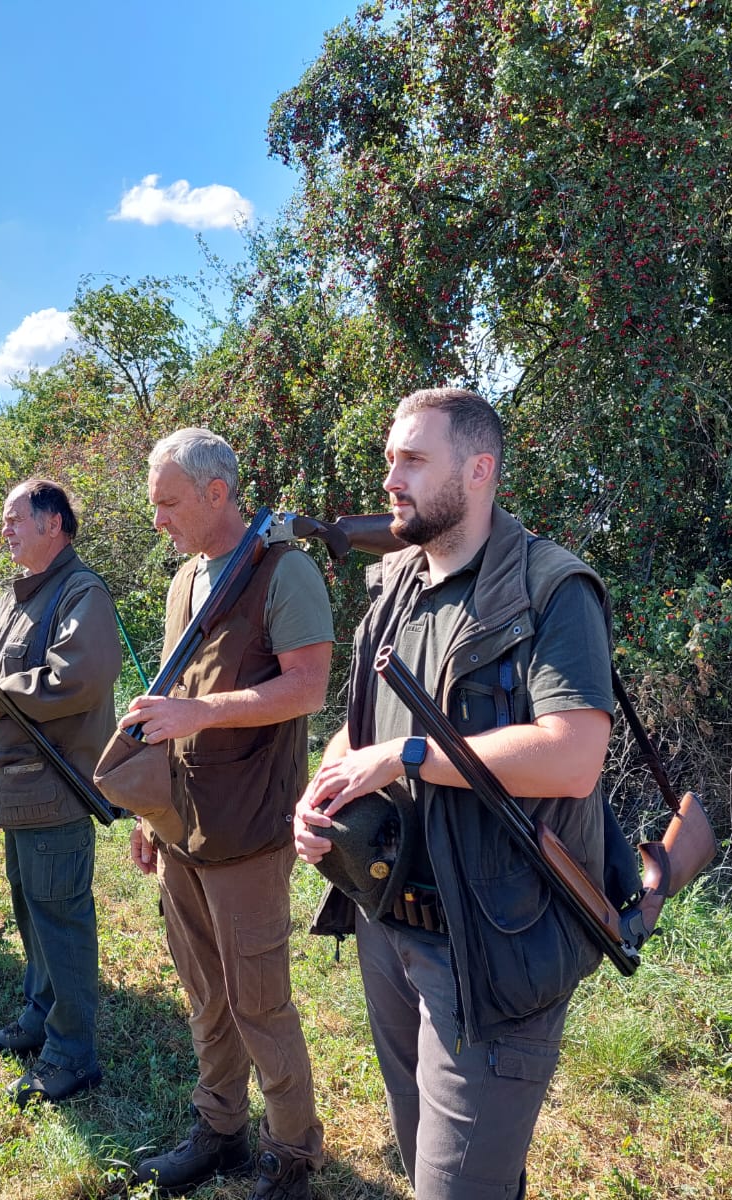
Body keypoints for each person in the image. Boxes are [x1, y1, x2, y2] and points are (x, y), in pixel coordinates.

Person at [293, 388, 616, 1200]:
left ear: (479, 470)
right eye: (389, 459)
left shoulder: (550, 588)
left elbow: (574, 756)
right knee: (429, 1162)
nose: (390, 480)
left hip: (496, 939)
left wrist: (408, 756)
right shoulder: (396, 585)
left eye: (412, 460)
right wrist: (320, 793)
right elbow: (357, 728)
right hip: (389, 920)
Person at [124, 429, 332, 1200]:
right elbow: (171, 704)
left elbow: (308, 687)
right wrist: (151, 812)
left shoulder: (285, 571)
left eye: (169, 503)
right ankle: (220, 1129)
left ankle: (291, 1155)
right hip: (184, 824)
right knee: (205, 996)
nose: (158, 521)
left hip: (249, 829)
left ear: (218, 493)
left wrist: (202, 713)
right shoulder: (186, 579)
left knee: (258, 1002)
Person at [0, 479, 118, 1105]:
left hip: (55, 788)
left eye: (14, 518)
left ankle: (72, 1054)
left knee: (61, 921)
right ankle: (39, 1016)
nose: (5, 530)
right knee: (33, 913)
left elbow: (78, 677)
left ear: (54, 524)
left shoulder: (81, 591)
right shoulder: (18, 596)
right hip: (19, 787)